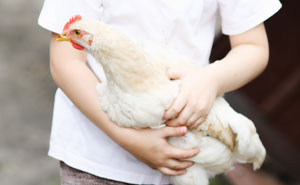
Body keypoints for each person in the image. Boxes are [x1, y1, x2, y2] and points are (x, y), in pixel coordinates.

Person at [38, 0, 281, 184]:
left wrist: (211, 79)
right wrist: (128, 138)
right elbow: (66, 62)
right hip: (98, 158)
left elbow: (253, 47)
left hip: (188, 155)